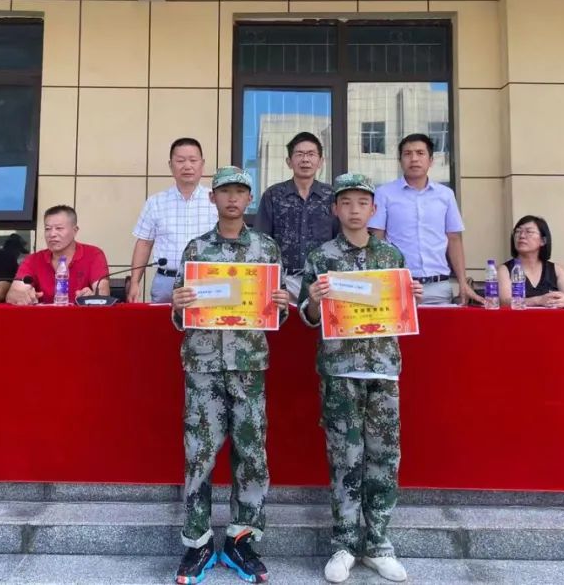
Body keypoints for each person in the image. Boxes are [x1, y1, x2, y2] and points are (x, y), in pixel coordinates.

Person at [299, 174, 423, 584]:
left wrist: (411, 298)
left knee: (384, 457)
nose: (354, 210)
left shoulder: (391, 255)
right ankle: (344, 544)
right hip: (340, 371)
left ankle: (378, 543)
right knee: (344, 457)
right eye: (346, 203)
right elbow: (307, 317)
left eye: (362, 203)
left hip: (383, 369)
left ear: (374, 209)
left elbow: (401, 310)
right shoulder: (322, 257)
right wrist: (314, 302)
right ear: (335, 209)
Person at [170, 166, 290, 585]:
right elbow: (181, 316)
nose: (233, 199)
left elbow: (277, 314)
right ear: (213, 198)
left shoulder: (266, 249)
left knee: (251, 453)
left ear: (249, 198)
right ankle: (198, 542)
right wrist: (179, 304)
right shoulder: (197, 249)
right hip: (203, 365)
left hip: (248, 366)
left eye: (240, 192)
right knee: (199, 454)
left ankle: (242, 540)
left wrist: (280, 304)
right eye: (225, 192)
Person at [368, 134, 480, 305]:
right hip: (399, 285)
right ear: (400, 161)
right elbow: (377, 240)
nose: (414, 159)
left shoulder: (445, 195)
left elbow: (454, 239)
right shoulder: (384, 193)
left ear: (431, 160)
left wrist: (463, 282)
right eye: (407, 154)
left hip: (438, 286)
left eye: (420, 153)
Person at [128, 138, 218, 304]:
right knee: (162, 321)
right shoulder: (155, 202)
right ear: (171, 165)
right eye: (180, 161)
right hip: (166, 282)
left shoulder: (216, 201)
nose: (187, 166)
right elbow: (144, 244)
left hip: (207, 281)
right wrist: (134, 282)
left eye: (193, 160)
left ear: (202, 164)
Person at [254, 131, 339, 300]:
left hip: (322, 281)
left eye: (311, 154)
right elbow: (261, 240)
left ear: (320, 161)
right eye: (299, 154)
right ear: (289, 162)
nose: (305, 159)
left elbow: (340, 238)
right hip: (284, 282)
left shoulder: (332, 196)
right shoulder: (273, 195)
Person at [7, 206, 110, 305]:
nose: (52, 234)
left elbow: (103, 293)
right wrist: (22, 296)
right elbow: (13, 294)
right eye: (48, 229)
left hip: (82, 316)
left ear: (75, 231)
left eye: (59, 228)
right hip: (44, 316)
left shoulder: (93, 254)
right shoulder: (33, 260)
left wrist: (92, 297)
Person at [498, 215, 564, 308]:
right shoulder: (504, 269)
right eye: (518, 231)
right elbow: (504, 301)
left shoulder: (556, 269)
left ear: (543, 240)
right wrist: (538, 300)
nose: (521, 236)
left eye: (529, 232)